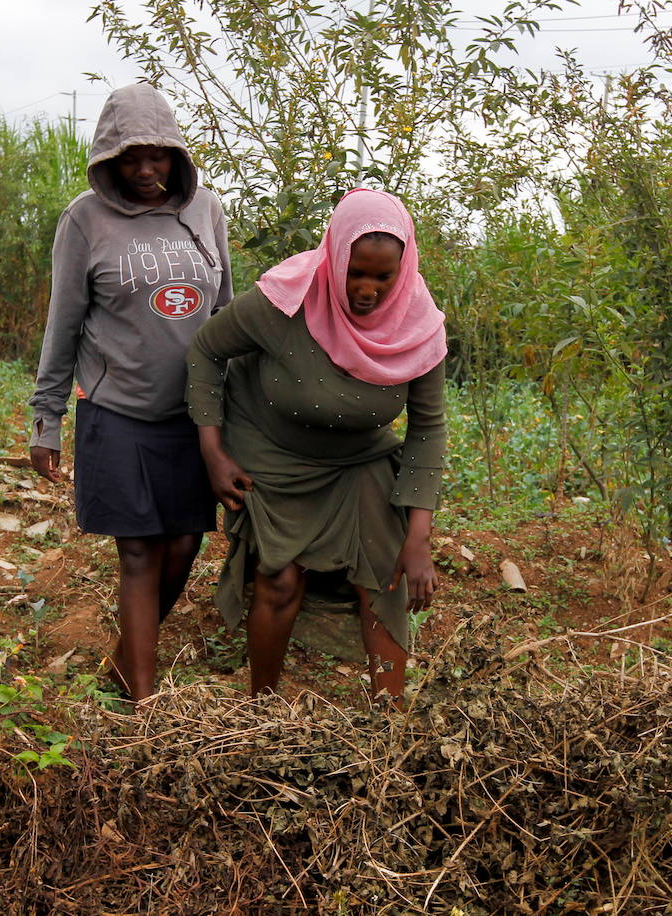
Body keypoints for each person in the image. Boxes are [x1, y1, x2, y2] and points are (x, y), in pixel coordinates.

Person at [185, 188, 446, 699]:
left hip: (359, 457)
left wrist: (418, 537)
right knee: (279, 579)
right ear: (333, 257)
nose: (366, 288)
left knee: (383, 577)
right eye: (355, 271)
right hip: (275, 451)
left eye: (382, 275)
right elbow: (205, 350)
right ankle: (263, 707)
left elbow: (428, 429)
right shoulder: (286, 301)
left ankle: (390, 719)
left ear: (405, 266)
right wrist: (213, 453)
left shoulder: (419, 324)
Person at [28, 83, 233, 702]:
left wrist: (238, 415)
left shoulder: (207, 212)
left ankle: (124, 663)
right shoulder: (84, 220)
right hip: (116, 411)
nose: (146, 170)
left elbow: (225, 316)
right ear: (109, 159)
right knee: (140, 552)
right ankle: (141, 702)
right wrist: (46, 417)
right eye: (131, 158)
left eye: (159, 155)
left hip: (195, 416)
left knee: (184, 545)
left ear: (177, 154)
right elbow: (63, 322)